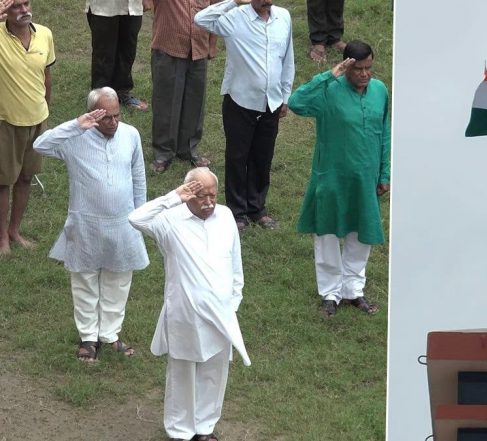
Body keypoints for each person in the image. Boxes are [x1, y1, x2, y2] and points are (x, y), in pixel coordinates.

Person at [128, 168, 250, 441]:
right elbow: (135, 218)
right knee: (183, 375)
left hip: (221, 313)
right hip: (185, 313)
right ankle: (180, 432)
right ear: (189, 194)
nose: (208, 202)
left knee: (215, 373)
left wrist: (234, 300)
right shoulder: (169, 220)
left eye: (212, 195)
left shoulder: (226, 216)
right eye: (200, 196)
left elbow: (235, 263)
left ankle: (205, 428)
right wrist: (174, 197)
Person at [33, 87, 148, 362]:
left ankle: (110, 335)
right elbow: (40, 145)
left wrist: (141, 217)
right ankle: (88, 338)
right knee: (84, 280)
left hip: (123, 222)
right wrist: (76, 125)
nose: (113, 123)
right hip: (85, 223)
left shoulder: (131, 135)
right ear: (93, 115)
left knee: (118, 280)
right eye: (106, 117)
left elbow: (139, 177)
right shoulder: (76, 138)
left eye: (117, 116)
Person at [288, 40, 390, 317]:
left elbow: (385, 133)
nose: (365, 74)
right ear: (346, 66)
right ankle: (330, 293)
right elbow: (296, 102)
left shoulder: (380, 91)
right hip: (331, 176)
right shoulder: (329, 90)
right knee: (328, 234)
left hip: (365, 178)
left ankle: (353, 290)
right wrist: (328, 75)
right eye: (358, 69)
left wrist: (384, 173)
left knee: (361, 233)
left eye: (369, 68)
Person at [195, 0, 294, 231]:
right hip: (240, 100)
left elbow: (287, 59)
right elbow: (201, 19)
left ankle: (257, 208)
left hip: (271, 101)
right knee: (238, 157)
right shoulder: (234, 17)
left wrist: (285, 96)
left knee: (263, 156)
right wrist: (233, 2)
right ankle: (237, 212)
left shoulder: (284, 17)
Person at [0, 0, 55, 255]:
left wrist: (46, 109)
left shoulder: (44, 34)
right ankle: (1, 239)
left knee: (25, 178)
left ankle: (14, 231)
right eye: (15, 6)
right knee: (2, 182)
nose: (23, 10)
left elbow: (46, 76)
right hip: (6, 121)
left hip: (37, 120)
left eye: (26, 3)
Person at [146, 0, 215, 173]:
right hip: (169, 47)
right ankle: (163, 152)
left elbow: (215, 11)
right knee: (166, 102)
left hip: (198, 48)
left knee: (195, 102)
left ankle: (188, 149)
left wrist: (211, 45)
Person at [85, 0, 149, 111]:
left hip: (132, 6)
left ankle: (122, 93)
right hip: (104, 7)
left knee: (127, 51)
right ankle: (99, 98)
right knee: (104, 54)